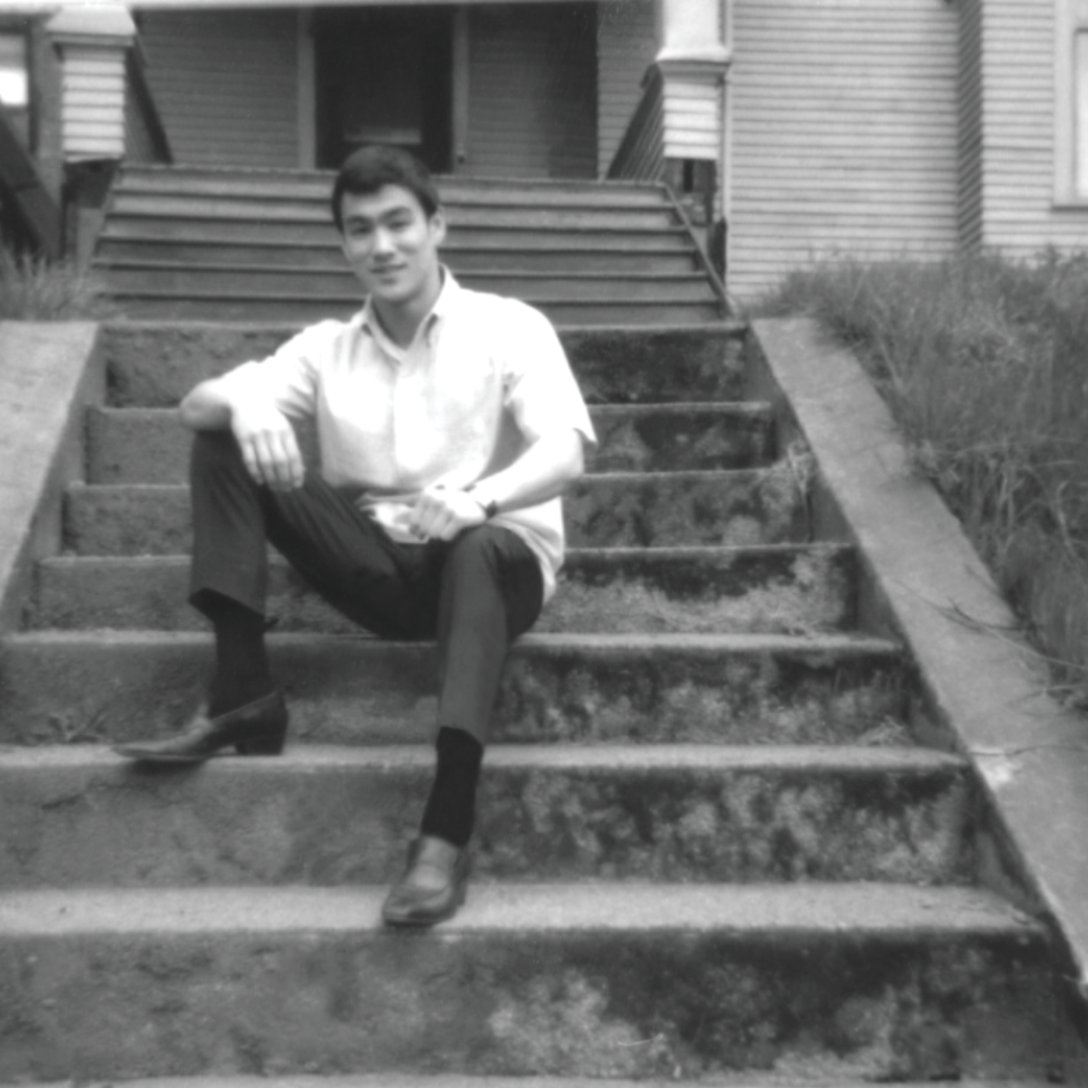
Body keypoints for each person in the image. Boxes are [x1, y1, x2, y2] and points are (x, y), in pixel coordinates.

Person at [113, 145, 597, 928]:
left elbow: (566, 451)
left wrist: (481, 498)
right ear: (343, 245)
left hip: (494, 562)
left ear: (438, 225)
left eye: (400, 223)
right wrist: (247, 406)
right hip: (382, 569)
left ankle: (444, 832)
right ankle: (244, 694)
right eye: (361, 229)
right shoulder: (324, 349)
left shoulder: (510, 326)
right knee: (223, 438)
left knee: (479, 549)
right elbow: (194, 405)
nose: (383, 246)